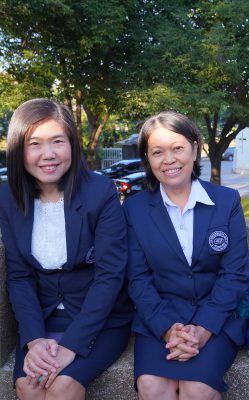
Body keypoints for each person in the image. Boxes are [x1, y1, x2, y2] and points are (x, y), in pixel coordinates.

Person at [0, 98, 132, 400]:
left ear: (72, 143)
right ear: (18, 149)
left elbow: (110, 275)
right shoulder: (7, 197)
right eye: (34, 144)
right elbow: (19, 276)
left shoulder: (100, 192)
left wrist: (72, 345)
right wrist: (34, 339)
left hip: (99, 319)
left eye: (57, 141)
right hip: (42, 318)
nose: (48, 154)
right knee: (28, 386)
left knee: (63, 387)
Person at [124, 111, 249, 400]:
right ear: (147, 158)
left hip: (216, 318)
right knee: (151, 385)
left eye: (177, 148)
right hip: (158, 319)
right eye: (157, 152)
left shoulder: (226, 201)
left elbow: (234, 274)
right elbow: (137, 278)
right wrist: (168, 330)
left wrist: (203, 329)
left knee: (198, 388)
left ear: (194, 149)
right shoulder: (134, 209)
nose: (169, 159)